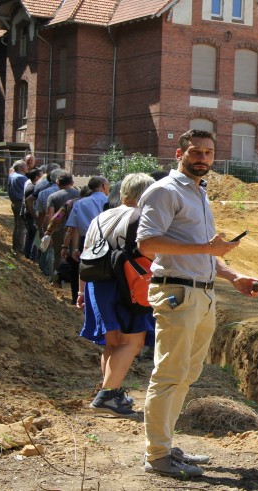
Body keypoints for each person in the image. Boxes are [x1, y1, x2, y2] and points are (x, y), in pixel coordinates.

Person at [137, 129, 258, 478]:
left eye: (207, 152)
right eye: (195, 152)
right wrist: (208, 250)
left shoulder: (199, 193)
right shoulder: (163, 191)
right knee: (169, 374)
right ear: (179, 153)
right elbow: (147, 244)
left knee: (187, 374)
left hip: (202, 293)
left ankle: (166, 445)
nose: (201, 158)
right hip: (176, 293)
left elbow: (204, 250)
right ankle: (157, 456)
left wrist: (233, 276)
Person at [78, 173, 156, 418]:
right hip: (127, 285)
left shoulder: (101, 217)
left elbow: (85, 255)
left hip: (97, 284)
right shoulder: (142, 217)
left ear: (124, 194)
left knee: (112, 342)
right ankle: (107, 395)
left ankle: (112, 392)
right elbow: (150, 254)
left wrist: (81, 290)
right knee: (133, 341)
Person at [8, 160, 28, 252]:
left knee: (17, 225)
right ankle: (19, 248)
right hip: (20, 203)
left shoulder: (12, 176)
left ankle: (15, 246)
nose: (27, 167)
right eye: (25, 166)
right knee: (22, 226)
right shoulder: (22, 178)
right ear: (20, 168)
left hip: (14, 202)